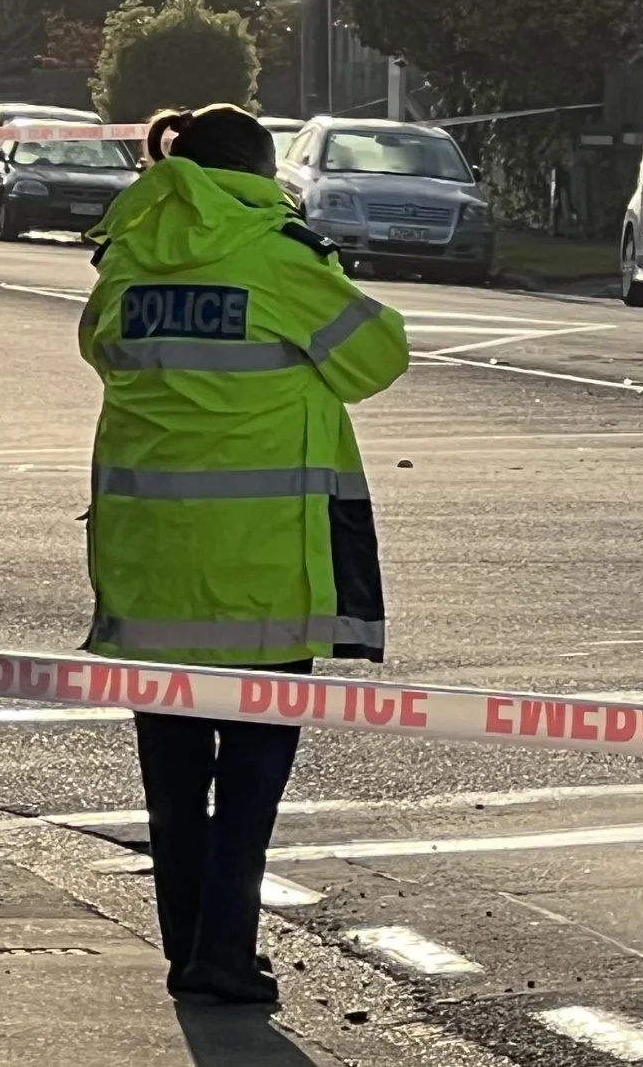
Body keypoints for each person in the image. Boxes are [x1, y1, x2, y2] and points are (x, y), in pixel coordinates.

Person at [80, 102, 409, 1007]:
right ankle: (223, 949)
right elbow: (380, 358)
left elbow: (100, 354)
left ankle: (188, 947)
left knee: (174, 788)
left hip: (149, 576)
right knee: (252, 783)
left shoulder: (130, 255)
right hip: (264, 578)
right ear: (263, 174)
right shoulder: (280, 258)